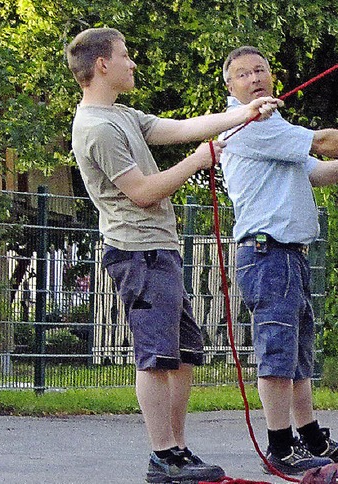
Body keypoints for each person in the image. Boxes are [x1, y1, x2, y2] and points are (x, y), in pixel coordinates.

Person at [65, 29, 281, 484]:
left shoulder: (120, 114)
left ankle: (178, 451)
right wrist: (197, 162)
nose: (132, 63)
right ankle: (163, 455)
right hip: (136, 252)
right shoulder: (97, 127)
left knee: (184, 353)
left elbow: (179, 129)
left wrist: (244, 114)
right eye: (125, 55)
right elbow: (143, 192)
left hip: (159, 248)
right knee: (156, 357)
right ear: (102, 65)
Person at [219, 45, 338, 475]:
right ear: (230, 87)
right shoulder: (247, 126)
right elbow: (321, 141)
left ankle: (310, 437)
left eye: (261, 70)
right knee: (278, 353)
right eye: (244, 74)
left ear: (272, 77)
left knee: (298, 356)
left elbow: (318, 169)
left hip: (288, 256)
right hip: (267, 253)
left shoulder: (274, 125)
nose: (255, 78)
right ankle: (281, 447)